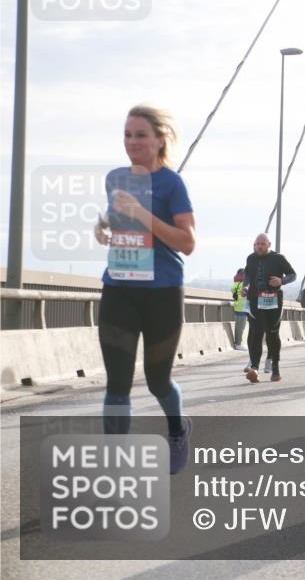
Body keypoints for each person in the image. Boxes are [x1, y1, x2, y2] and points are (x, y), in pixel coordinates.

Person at [93, 104, 195, 474]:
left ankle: (177, 427)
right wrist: (102, 226)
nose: (132, 142)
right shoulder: (115, 177)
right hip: (119, 289)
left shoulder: (172, 184)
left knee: (157, 381)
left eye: (140, 135)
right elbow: (113, 215)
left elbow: (187, 242)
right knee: (117, 383)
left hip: (163, 293)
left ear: (159, 140)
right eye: (127, 134)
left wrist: (141, 214)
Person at [243, 233, 296, 383]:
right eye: (256, 244)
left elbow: (293, 274)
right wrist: (246, 286)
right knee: (256, 333)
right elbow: (247, 274)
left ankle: (275, 368)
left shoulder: (278, 258)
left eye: (262, 244)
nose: (258, 246)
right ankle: (254, 368)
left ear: (269, 245)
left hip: (273, 301)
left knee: (272, 335)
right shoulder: (251, 258)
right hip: (255, 300)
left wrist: (282, 280)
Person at [231, 268, 249, 352]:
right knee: (241, 328)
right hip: (243, 308)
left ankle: (237, 343)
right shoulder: (244, 285)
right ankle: (238, 344)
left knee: (237, 327)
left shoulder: (235, 284)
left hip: (236, 308)